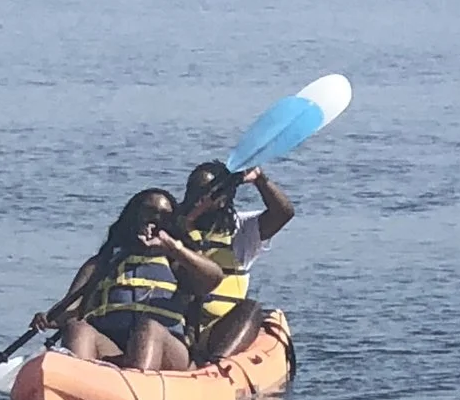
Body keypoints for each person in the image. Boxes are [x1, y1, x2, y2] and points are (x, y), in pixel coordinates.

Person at [34, 189, 224, 373]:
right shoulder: (103, 263)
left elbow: (214, 277)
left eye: (164, 215)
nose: (156, 218)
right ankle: (77, 389)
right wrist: (49, 318)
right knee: (78, 328)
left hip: (168, 349)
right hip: (112, 347)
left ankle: (140, 390)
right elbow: (70, 309)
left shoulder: (176, 263)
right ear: (134, 216)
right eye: (149, 211)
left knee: (148, 328)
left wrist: (173, 248)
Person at [176, 160, 295, 362]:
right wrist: (189, 219)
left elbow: (283, 213)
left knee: (252, 309)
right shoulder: (172, 228)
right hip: (176, 331)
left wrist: (260, 180)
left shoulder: (239, 229)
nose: (198, 199)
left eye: (207, 193)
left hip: (218, 333)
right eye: (194, 192)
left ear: (223, 199)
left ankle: (218, 365)